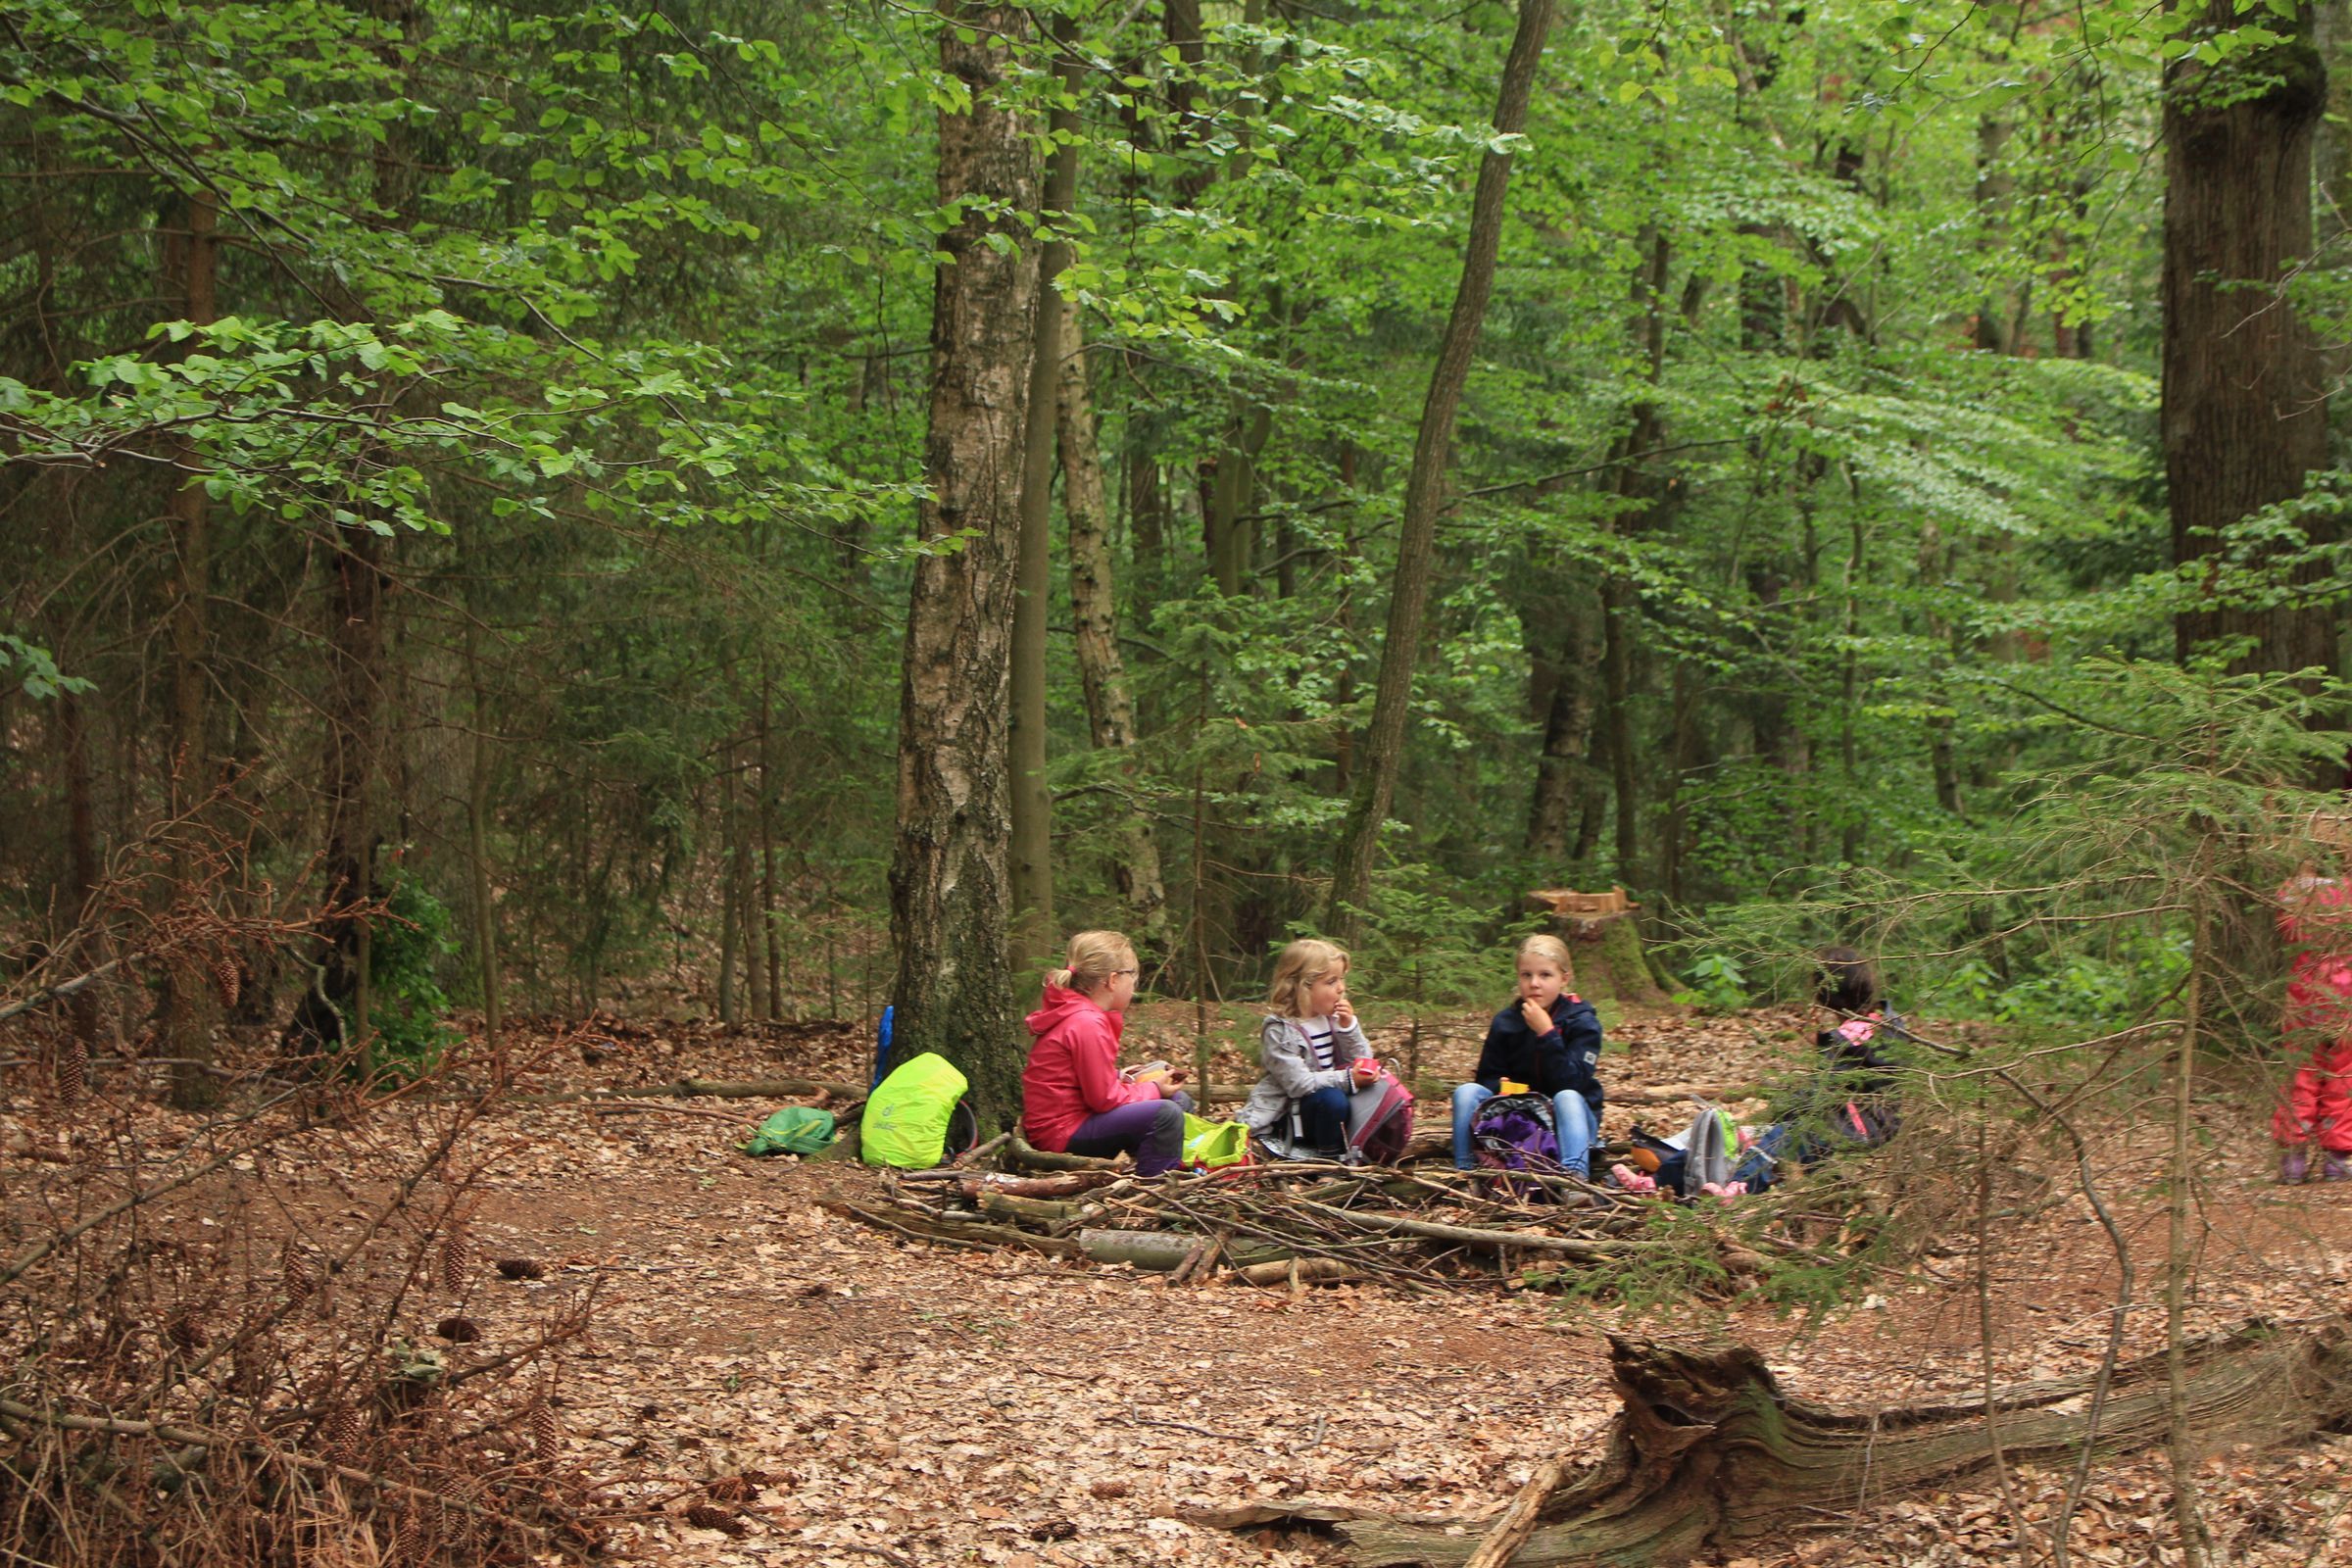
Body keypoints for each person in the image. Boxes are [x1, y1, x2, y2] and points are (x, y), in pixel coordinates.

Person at [1021, 931, 1193, 1176]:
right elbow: (1102, 1100)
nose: (1134, 985)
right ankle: (1156, 1192)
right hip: (1061, 1133)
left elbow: (1077, 1081)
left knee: (1180, 1101)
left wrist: (1120, 1077)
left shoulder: (1078, 1014)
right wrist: (1154, 1088)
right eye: (1133, 976)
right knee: (1167, 1114)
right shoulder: (1086, 1022)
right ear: (1112, 980)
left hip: (1074, 1121)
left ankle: (1161, 1169)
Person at [1451, 935, 1603, 1175]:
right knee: (1466, 1092)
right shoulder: (1506, 1021)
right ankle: (1465, 1171)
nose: (1534, 984)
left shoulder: (1582, 1021)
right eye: (1526, 975)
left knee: (1567, 1097)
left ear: (1564, 978)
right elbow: (1487, 1077)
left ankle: (1574, 1180)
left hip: (1570, 1122)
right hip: (1518, 1118)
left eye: (1545, 975)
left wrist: (1547, 1033)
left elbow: (1574, 1082)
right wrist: (1499, 1085)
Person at [1239, 939, 1376, 1157]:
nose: (1341, 988)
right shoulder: (1280, 1029)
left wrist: (1348, 1027)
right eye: (1331, 982)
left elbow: (1362, 1059)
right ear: (1303, 986)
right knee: (1332, 1099)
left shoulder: (1330, 1018)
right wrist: (1349, 1079)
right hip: (1293, 1114)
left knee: (1357, 1094)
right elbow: (1299, 1085)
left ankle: (1359, 1147)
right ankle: (1330, 1163)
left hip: (1330, 1109)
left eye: (1341, 979)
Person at [2271, 854, 2352, 1184]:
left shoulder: (2294, 892)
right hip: (2346, 1000)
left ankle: (2294, 1160)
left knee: (2301, 1074)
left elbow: (2288, 928)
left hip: (2303, 998)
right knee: (2344, 1076)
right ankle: (2338, 1159)